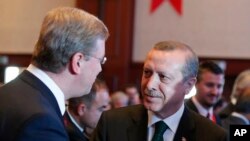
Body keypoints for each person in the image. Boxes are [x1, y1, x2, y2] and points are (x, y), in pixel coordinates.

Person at [0, 7, 109, 141]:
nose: (100, 69)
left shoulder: (8, 92)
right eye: (100, 60)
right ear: (78, 61)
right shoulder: (42, 123)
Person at [92, 41, 227, 141]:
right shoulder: (112, 123)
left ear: (189, 85)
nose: (150, 85)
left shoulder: (213, 136)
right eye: (147, 72)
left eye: (163, 77)